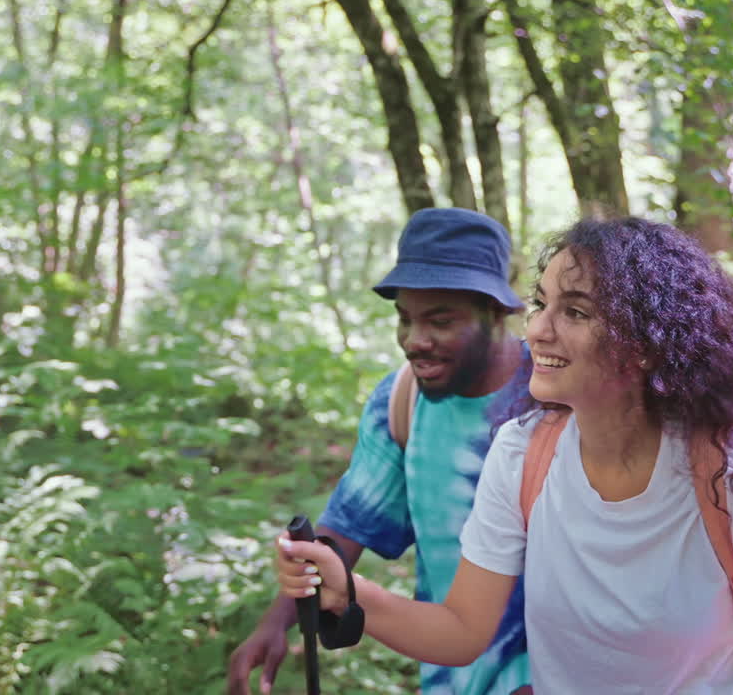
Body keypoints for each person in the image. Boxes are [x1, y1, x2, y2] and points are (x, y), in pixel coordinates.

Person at [274, 217, 733, 694]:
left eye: (575, 312)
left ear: (647, 343)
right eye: (541, 304)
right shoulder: (521, 455)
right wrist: (351, 593)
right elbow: (461, 630)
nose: (536, 331)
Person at [228, 207, 535, 695]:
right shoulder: (401, 402)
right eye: (405, 319)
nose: (415, 340)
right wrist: (276, 623)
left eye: (440, 321)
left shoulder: (556, 394)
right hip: (450, 674)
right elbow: (349, 526)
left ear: (496, 312)